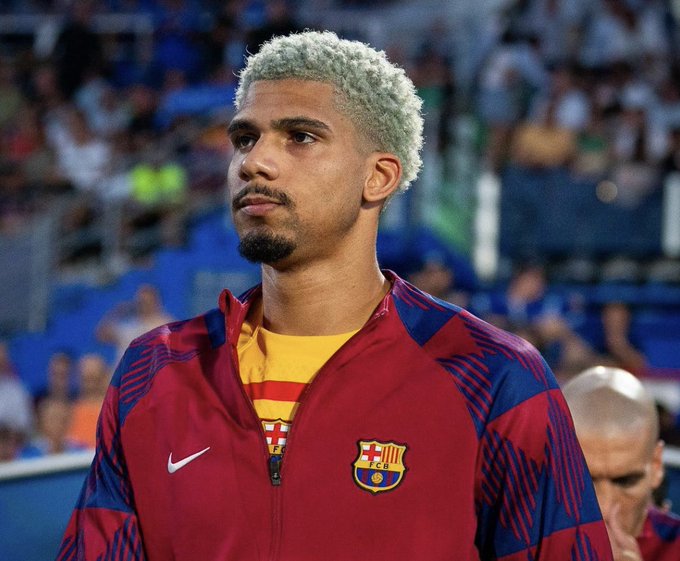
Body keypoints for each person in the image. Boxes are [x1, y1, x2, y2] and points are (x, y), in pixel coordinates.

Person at [57, 30, 612, 560]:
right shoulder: (156, 372)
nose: (254, 161)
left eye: (300, 137)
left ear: (379, 177)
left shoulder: (491, 376)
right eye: (245, 138)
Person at [562, 366, 680, 561]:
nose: (605, 509)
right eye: (583, 483)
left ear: (656, 466)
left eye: (626, 481)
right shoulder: (513, 544)